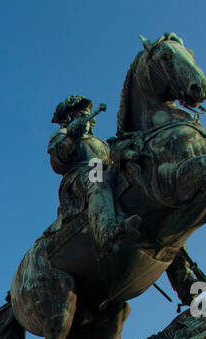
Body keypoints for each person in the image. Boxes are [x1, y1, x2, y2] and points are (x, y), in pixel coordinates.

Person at [46, 95, 141, 253]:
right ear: (69, 119)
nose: (85, 119)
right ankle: (107, 231)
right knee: (97, 177)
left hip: (106, 171)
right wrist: (72, 138)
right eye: (79, 115)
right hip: (79, 178)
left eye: (85, 115)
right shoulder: (61, 135)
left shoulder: (99, 142)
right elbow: (58, 162)